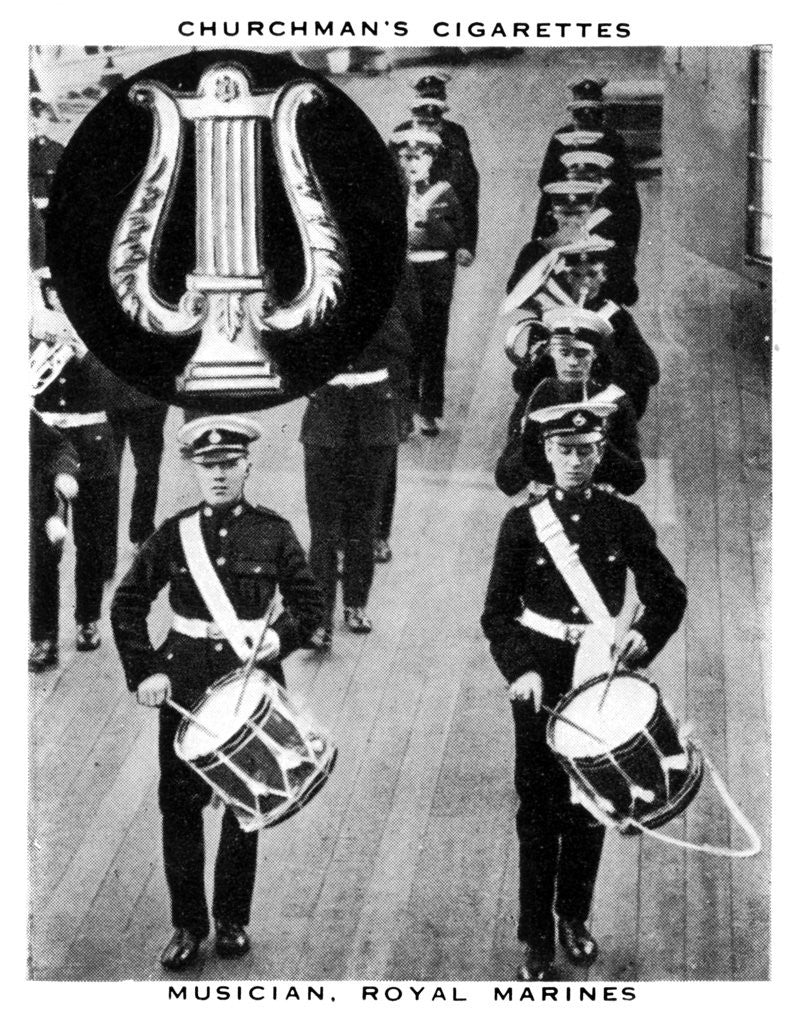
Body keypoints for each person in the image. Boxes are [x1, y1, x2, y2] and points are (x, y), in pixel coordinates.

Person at [481, 400, 687, 980]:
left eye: (585, 450)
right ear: (545, 454)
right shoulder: (522, 524)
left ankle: (574, 916)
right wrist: (519, 669)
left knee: (592, 806)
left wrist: (644, 637)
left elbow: (668, 593)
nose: (574, 461)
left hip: (598, 670)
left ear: (601, 452)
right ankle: (537, 938)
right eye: (562, 450)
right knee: (539, 807)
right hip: (540, 679)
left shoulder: (624, 519)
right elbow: (497, 614)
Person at [110, 415, 323, 971]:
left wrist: (281, 636)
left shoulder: (273, 532)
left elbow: (311, 604)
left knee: (243, 800)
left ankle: (231, 919)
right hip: (183, 683)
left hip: (250, 685)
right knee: (179, 807)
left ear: (248, 465)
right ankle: (187, 925)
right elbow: (127, 603)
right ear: (196, 471)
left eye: (229, 464)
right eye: (209, 467)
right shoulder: (174, 533)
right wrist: (145, 671)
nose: (219, 475)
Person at [300, 288, 410, 648]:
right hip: (326, 418)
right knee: (323, 529)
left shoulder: (380, 301)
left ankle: (356, 603)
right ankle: (319, 618)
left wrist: (361, 316)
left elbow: (404, 343)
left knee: (363, 522)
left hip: (373, 418)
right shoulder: (312, 302)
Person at [31, 270, 119, 660]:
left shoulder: (100, 332)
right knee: (43, 543)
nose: (61, 303)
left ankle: (87, 619)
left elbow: (114, 390)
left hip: (94, 441)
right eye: (54, 296)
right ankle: (43, 634)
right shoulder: (31, 333)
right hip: (47, 444)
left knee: (92, 540)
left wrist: (81, 350)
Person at [496, 308, 645, 497]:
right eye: (564, 352)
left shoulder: (616, 402)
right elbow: (506, 480)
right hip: (546, 507)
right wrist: (533, 438)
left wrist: (596, 442)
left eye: (582, 353)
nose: (573, 362)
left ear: (595, 356)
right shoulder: (534, 399)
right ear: (551, 354)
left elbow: (633, 481)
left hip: (598, 508)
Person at [505, 237, 658, 418]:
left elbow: (651, 371)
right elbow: (522, 382)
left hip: (599, 405)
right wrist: (546, 356)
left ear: (603, 277)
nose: (585, 282)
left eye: (592, 274)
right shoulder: (549, 319)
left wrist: (605, 355)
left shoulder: (618, 318)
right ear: (567, 277)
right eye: (577, 275)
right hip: (554, 406)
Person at [389, 126, 470, 436]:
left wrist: (428, 225)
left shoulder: (444, 193)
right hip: (404, 277)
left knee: (434, 346)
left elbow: (456, 234)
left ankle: (429, 411)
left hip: (435, 278)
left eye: (419, 157)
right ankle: (404, 412)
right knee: (404, 345)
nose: (413, 164)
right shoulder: (392, 193)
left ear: (431, 160)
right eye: (406, 157)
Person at [392, 73, 480, 260]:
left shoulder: (455, 134)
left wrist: (466, 244)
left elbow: (467, 190)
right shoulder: (400, 135)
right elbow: (387, 185)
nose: (430, 100)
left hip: (442, 231)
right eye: (424, 96)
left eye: (436, 96)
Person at [29, 409, 79, 671]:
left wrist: (64, 474)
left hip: (31, 509)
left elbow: (60, 446)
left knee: (41, 568)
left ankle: (43, 638)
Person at [106, 377, 169, 553]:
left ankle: (140, 533)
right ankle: (139, 534)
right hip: (124, 394)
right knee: (113, 473)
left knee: (146, 470)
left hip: (145, 397)